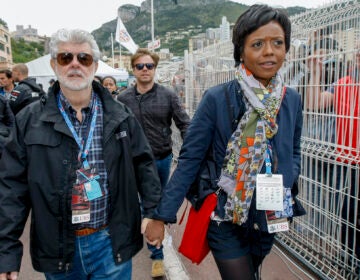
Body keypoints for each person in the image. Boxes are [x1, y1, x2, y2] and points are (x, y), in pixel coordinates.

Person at [149, 5, 304, 280]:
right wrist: (162, 215)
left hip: (270, 211)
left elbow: (293, 150)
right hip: (225, 213)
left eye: (277, 43)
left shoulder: (290, 99)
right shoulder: (217, 98)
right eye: (258, 44)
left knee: (253, 270)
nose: (269, 51)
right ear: (241, 52)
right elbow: (189, 160)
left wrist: (287, 182)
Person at [0, 28, 164, 280]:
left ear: (95, 65)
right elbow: (11, 188)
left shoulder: (120, 116)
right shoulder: (28, 121)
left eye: (83, 58)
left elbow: (144, 165)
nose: (75, 64)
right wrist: (6, 253)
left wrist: (154, 213)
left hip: (110, 244)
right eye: (66, 57)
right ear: (54, 64)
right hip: (58, 247)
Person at [117, 48, 190, 278]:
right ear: (134, 69)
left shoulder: (168, 95)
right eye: (140, 66)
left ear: (155, 68)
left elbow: (185, 124)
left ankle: (156, 255)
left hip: (161, 159)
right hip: (132, 162)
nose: (145, 70)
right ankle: (154, 249)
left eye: (149, 66)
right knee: (140, 206)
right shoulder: (123, 99)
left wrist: (190, 154)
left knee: (156, 206)